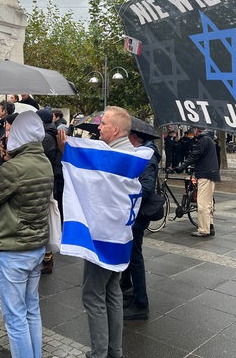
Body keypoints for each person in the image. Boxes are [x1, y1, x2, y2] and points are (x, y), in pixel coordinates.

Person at [57, 105, 134, 358]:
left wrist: (66, 151)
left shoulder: (113, 158)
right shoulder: (130, 155)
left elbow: (90, 181)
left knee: (93, 295)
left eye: (103, 124)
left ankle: (99, 353)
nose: (98, 127)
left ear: (115, 129)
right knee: (112, 293)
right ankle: (115, 351)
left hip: (103, 240)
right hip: (121, 240)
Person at [0, 111, 53, 358]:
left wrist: (4, 164)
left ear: (20, 134)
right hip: (36, 247)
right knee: (31, 309)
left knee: (14, 318)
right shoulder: (44, 162)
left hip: (13, 250)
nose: (7, 134)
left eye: (11, 130)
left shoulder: (13, 168)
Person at [121, 130, 161, 321]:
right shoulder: (142, 153)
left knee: (135, 256)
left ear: (135, 138)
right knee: (130, 252)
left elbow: (145, 188)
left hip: (138, 213)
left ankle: (140, 303)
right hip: (133, 212)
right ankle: (128, 288)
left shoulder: (147, 156)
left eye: (128, 136)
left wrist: (124, 187)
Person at [172, 127, 220, 237]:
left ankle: (204, 229)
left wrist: (182, 166)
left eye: (194, 129)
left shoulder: (204, 140)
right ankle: (210, 225)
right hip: (211, 173)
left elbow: (194, 155)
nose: (193, 132)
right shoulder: (209, 140)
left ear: (198, 130)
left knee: (202, 203)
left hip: (205, 174)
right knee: (208, 202)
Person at [36, 108, 62, 274]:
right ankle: (46, 257)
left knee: (45, 220)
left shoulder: (45, 137)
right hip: (52, 179)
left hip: (48, 181)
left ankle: (47, 259)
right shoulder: (52, 133)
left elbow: (39, 158)